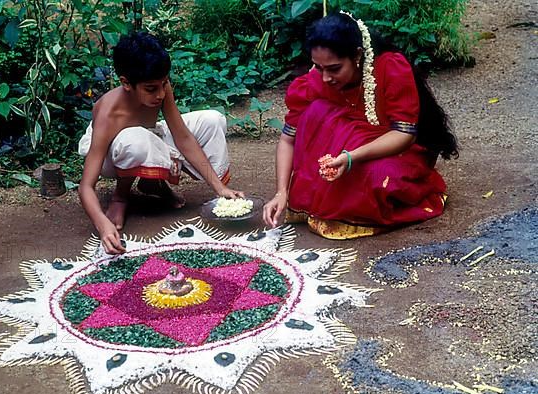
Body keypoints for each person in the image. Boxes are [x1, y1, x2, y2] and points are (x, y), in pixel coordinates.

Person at [263, 12, 458, 239]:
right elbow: (288, 139)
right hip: (344, 156)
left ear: (357, 55)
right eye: (318, 67)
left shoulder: (389, 67)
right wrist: (281, 192)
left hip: (393, 152)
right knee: (315, 112)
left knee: (375, 180)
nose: (325, 77)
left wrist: (350, 157)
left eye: (334, 69)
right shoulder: (316, 80)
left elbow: (404, 134)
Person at [78, 31, 243, 254]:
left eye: (163, 84)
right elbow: (86, 185)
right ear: (126, 83)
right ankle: (121, 196)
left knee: (213, 120)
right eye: (150, 89)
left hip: (150, 135)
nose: (160, 94)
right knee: (133, 141)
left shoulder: (161, 89)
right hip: (112, 154)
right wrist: (102, 224)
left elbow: (182, 137)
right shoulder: (108, 113)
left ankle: (152, 181)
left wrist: (219, 187)